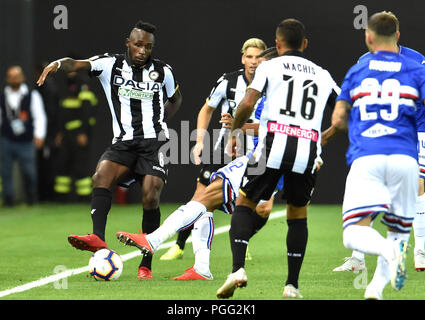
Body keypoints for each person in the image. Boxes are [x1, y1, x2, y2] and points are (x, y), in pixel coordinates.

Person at [115, 43, 283, 282]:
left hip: (266, 158)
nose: (257, 66)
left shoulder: (276, 91)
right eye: (251, 58)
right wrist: (226, 134)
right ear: (243, 58)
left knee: (220, 201)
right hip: (263, 157)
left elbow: (275, 128)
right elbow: (217, 111)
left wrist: (239, 127)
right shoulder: (240, 83)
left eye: (262, 63)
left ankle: (155, 241)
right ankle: (199, 264)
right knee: (206, 199)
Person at [36, 20, 182, 279]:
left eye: (148, 47)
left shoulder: (163, 71)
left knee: (150, 194)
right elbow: (77, 64)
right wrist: (58, 64)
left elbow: (176, 98)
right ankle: (98, 238)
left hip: (154, 143)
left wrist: (160, 121)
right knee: (100, 175)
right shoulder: (110, 64)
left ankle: (146, 263)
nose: (142, 51)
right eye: (138, 45)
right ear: (128, 43)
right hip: (124, 142)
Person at [215, 18, 340, 299]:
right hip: (307, 151)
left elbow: (247, 103)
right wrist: (321, 138)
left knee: (245, 201)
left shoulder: (269, 66)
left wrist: (235, 130)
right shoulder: (322, 74)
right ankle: (292, 286)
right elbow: (344, 115)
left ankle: (237, 269)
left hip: (273, 146)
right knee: (298, 214)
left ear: (278, 43)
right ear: (305, 44)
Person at [325, 11, 425, 299]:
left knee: (353, 233)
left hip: (367, 155)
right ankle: (375, 290)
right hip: (406, 157)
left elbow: (340, 117)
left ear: (368, 37)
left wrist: (332, 134)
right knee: (398, 232)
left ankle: (387, 255)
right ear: (397, 36)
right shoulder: (416, 69)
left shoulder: (359, 70)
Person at [159, 38, 267, 262]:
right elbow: (207, 109)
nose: (254, 62)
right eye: (249, 56)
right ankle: (179, 246)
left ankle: (241, 237)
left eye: (258, 57)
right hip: (225, 150)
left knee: (261, 207)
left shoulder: (272, 84)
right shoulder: (228, 82)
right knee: (200, 197)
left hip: (257, 153)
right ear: (242, 58)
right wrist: (199, 141)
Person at [0, 65, 47, 206]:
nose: (14, 79)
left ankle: (31, 199)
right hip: (7, 139)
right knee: (6, 172)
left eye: (17, 76)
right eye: (11, 76)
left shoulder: (32, 95)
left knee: (29, 172)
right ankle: (9, 200)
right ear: (7, 79)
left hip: (26, 141)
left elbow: (40, 116)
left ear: (22, 77)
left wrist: (39, 135)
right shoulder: (3, 96)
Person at [53, 71, 98, 202]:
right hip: (66, 134)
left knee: (81, 166)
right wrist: (60, 132)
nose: (70, 72)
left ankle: (84, 198)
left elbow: (86, 112)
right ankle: (61, 199)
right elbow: (61, 113)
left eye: (72, 69)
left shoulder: (84, 85)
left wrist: (83, 132)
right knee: (63, 165)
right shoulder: (66, 86)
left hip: (79, 133)